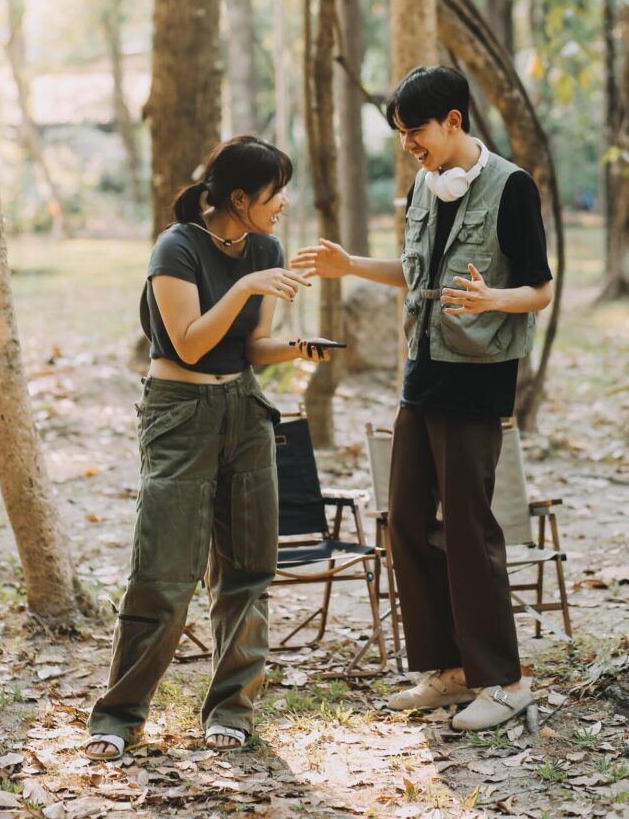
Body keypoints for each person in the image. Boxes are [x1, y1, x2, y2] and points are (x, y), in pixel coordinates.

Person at [291, 67, 553, 732]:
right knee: (405, 517)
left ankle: (506, 678)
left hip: (476, 378)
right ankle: (449, 669)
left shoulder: (510, 188)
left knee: (469, 528)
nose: (409, 145)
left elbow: (538, 289)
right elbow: (412, 277)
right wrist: (349, 265)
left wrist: (495, 298)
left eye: (415, 132)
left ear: (453, 122)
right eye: (402, 134)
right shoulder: (421, 189)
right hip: (422, 377)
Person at [85, 135, 330, 760]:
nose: (284, 205)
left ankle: (230, 710)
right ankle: (119, 715)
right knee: (164, 573)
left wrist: (300, 347)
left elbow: (252, 348)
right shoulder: (177, 247)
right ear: (240, 196)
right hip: (180, 413)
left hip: (244, 412)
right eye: (276, 193)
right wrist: (248, 286)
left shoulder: (266, 248)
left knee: (248, 571)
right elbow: (189, 342)